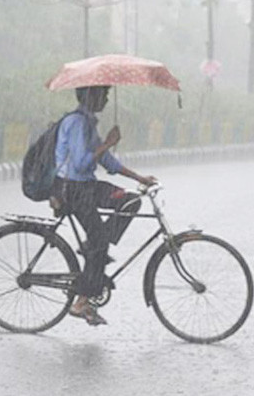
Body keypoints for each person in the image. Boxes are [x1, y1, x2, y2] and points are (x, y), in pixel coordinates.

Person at [50, 84, 156, 327]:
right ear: (90, 95)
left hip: (86, 186)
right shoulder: (77, 123)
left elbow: (107, 161)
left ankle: (94, 249)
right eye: (103, 94)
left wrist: (139, 178)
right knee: (99, 242)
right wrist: (107, 142)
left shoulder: (87, 123)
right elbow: (80, 163)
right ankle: (82, 301)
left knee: (130, 200)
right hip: (73, 189)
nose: (107, 99)